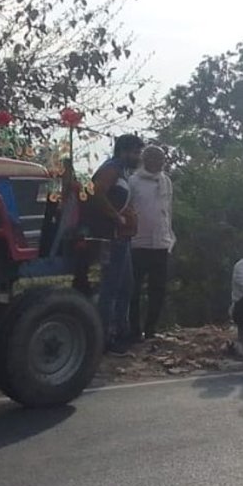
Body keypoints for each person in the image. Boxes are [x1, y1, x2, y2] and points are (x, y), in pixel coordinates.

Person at [87, 133, 144, 353]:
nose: (138, 157)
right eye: (136, 152)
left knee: (126, 286)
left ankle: (122, 331)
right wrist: (116, 217)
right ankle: (104, 336)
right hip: (111, 236)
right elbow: (96, 193)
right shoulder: (111, 168)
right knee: (111, 287)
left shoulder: (123, 172)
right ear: (124, 151)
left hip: (122, 237)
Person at [128, 145, 176, 341]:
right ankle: (133, 330)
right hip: (138, 243)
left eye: (162, 159)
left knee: (158, 289)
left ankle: (151, 329)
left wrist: (170, 236)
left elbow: (168, 210)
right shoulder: (134, 181)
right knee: (134, 290)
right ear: (146, 160)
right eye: (155, 158)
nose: (159, 162)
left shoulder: (166, 181)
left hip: (161, 244)